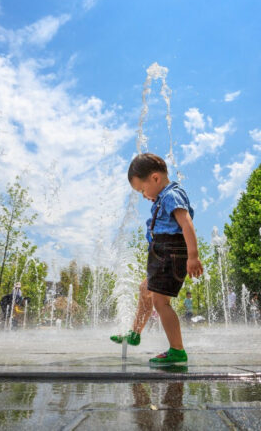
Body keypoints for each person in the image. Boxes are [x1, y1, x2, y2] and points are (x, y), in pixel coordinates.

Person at [110, 153, 204, 365]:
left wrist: (193, 256)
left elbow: (186, 223)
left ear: (155, 178)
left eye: (142, 190)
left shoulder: (172, 195)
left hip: (170, 253)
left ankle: (177, 351)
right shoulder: (163, 198)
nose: (143, 195)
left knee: (160, 302)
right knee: (145, 290)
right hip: (162, 254)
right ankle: (134, 333)